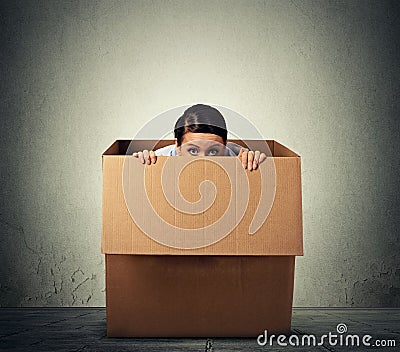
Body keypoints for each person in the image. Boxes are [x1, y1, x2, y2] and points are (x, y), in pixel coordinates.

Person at [133, 104, 267, 170]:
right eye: (193, 151)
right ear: (178, 147)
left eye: (213, 151)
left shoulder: (238, 156)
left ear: (225, 145)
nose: (204, 161)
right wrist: (141, 163)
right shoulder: (159, 158)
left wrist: (258, 163)